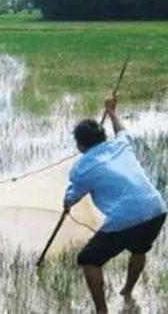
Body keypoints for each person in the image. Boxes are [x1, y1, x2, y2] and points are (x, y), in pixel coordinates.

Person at [64, 95, 167, 313]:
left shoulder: (82, 167)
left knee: (89, 259)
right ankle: (127, 292)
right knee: (139, 249)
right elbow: (122, 131)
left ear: (80, 145)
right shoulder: (121, 144)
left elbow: (73, 194)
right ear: (103, 136)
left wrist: (67, 202)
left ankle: (102, 310)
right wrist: (112, 112)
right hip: (157, 209)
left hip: (127, 217)